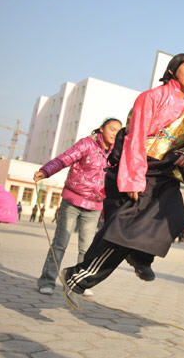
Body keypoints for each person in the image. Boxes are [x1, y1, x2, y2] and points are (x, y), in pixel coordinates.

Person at [60, 53, 184, 310]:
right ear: (173, 69)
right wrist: (134, 180)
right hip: (136, 170)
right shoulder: (151, 97)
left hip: (164, 174)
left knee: (173, 217)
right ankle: (77, 277)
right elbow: (134, 138)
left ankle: (141, 257)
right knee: (122, 233)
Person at [35, 117, 123, 296]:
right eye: (112, 129)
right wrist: (46, 171)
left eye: (118, 131)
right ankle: (47, 281)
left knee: (87, 248)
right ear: (101, 129)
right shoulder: (87, 144)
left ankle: (79, 283)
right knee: (60, 243)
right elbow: (65, 158)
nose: (115, 133)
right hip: (73, 201)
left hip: (96, 205)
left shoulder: (118, 154)